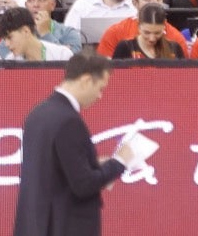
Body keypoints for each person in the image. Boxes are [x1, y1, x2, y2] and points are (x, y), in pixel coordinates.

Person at [13, 50, 142, 236]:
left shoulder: (37, 114)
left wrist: (93, 165)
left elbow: (52, 171)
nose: (100, 96)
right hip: (65, 227)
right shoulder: (69, 121)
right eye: (100, 88)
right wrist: (119, 162)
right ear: (86, 80)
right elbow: (84, 185)